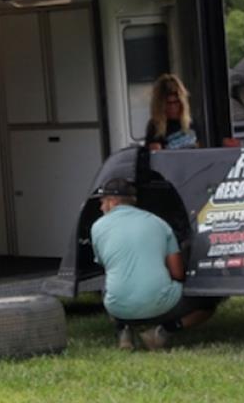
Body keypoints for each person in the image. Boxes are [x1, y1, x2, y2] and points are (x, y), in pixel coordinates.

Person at [90, 178, 218, 350]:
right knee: (207, 304)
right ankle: (164, 331)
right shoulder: (159, 223)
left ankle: (124, 330)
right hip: (162, 306)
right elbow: (178, 273)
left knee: (109, 283)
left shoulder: (97, 227)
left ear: (112, 202)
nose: (101, 207)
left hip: (117, 307)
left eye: (102, 202)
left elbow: (106, 265)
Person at [144, 73, 201, 151]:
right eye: (168, 103)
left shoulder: (191, 122)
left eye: (176, 102)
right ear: (160, 105)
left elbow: (200, 150)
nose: (172, 107)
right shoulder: (155, 127)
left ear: (182, 103)